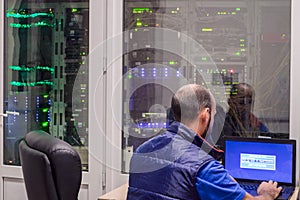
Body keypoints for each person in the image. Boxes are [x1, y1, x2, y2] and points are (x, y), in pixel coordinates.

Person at [127, 84, 282, 200]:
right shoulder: (204, 168)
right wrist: (267, 195)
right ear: (205, 115)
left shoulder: (142, 151)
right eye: (214, 115)